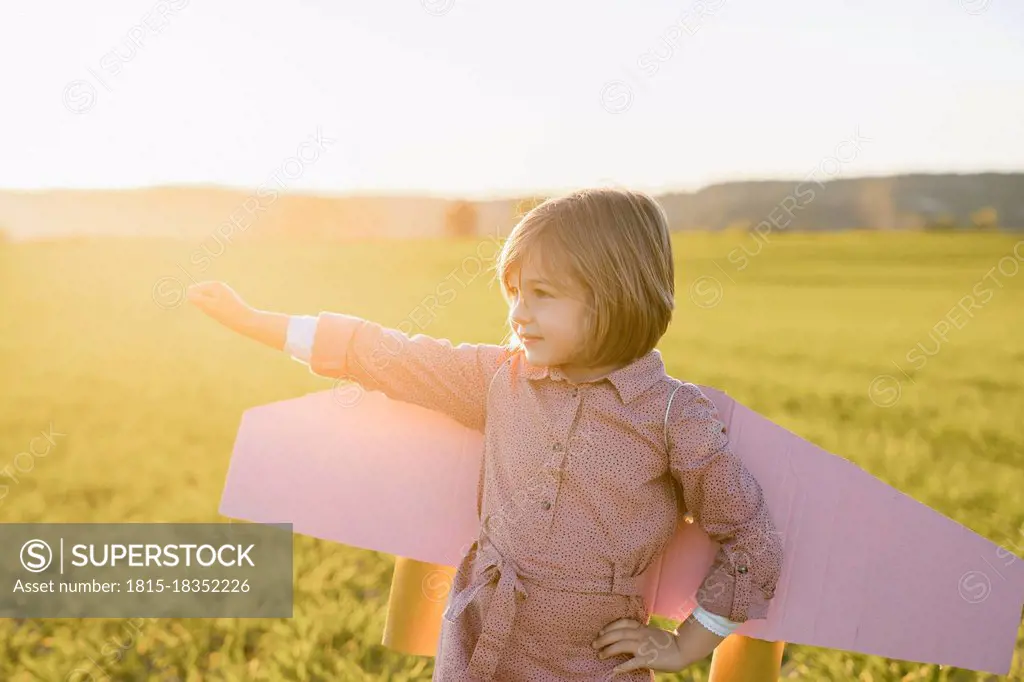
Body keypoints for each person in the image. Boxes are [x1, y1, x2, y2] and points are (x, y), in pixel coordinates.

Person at [187, 187, 784, 680]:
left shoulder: (673, 414)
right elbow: (389, 355)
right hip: (478, 647)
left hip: (592, 664)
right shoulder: (501, 379)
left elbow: (752, 537)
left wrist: (685, 644)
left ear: (615, 296)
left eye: (542, 296)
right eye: (515, 294)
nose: (519, 313)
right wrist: (253, 320)